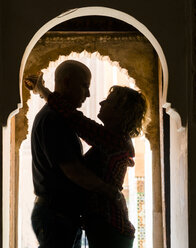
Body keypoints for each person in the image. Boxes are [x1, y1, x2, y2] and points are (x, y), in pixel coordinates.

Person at [28, 70, 148, 248]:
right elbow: (76, 120)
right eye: (84, 86)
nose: (99, 101)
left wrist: (42, 90)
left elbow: (77, 120)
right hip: (104, 225)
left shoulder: (114, 140)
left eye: (108, 102)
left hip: (109, 226)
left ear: (120, 114)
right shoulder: (112, 140)